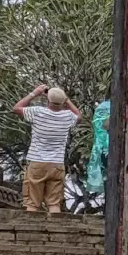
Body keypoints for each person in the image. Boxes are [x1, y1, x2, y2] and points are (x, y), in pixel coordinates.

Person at [12, 83, 81, 215]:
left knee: (32, 203)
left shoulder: (37, 112)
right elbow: (79, 116)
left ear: (47, 100)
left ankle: (30, 232)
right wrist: (65, 99)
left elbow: (16, 108)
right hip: (57, 164)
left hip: (37, 163)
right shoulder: (67, 117)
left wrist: (35, 93)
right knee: (54, 203)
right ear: (62, 102)